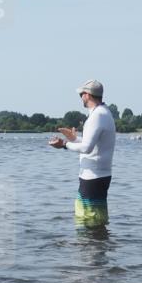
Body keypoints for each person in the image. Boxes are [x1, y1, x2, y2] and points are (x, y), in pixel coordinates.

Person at [49, 79, 116, 227]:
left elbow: (87, 148)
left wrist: (65, 145)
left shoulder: (97, 116)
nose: (80, 97)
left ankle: (91, 247)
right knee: (94, 218)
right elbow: (92, 143)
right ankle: (97, 246)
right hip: (98, 175)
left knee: (89, 219)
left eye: (81, 94)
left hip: (93, 177)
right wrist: (74, 138)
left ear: (87, 95)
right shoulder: (104, 113)